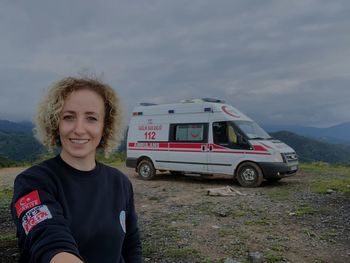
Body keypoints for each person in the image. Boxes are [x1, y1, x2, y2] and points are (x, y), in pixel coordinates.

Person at [10, 76, 142, 263]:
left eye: (91, 118)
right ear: (55, 123)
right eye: (68, 117)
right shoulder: (32, 182)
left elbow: (131, 247)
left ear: (105, 127)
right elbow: (48, 239)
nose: (79, 129)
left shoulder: (120, 182)